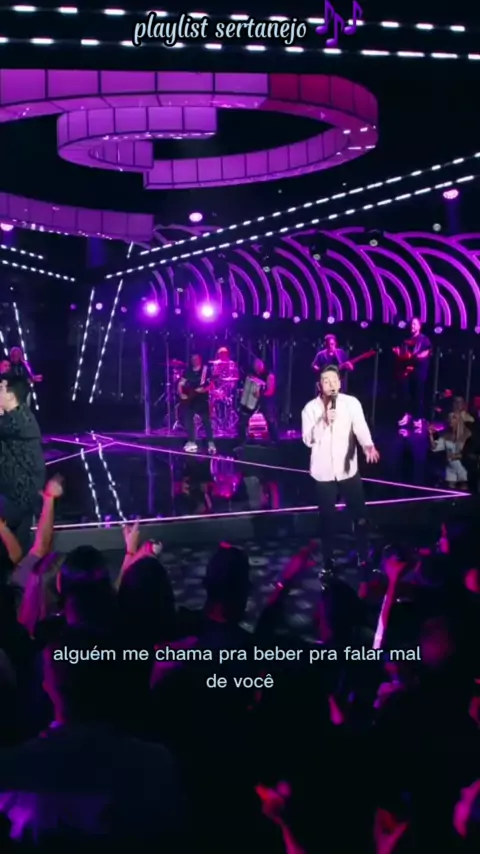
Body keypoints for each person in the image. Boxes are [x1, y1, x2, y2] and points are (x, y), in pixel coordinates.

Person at [301, 364, 379, 574]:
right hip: (323, 473)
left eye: (334, 380)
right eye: (326, 381)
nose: (331, 384)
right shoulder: (310, 409)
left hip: (348, 470)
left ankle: (363, 557)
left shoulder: (351, 403)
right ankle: (328, 561)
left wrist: (368, 446)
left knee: (360, 515)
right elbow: (307, 439)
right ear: (320, 385)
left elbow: (360, 427)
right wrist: (323, 421)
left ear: (340, 383)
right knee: (327, 519)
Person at [0, 375, 45, 546]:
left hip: (19, 496)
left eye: (1, 388)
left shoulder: (18, 420)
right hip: (18, 492)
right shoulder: (16, 416)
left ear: (11, 395)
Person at [393, 317, 431, 432]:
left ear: (419, 326)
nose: (412, 326)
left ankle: (418, 418)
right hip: (406, 371)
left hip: (418, 371)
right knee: (405, 393)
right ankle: (406, 415)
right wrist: (398, 353)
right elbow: (401, 352)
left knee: (417, 395)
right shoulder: (406, 340)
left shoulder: (424, 339)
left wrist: (413, 357)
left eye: (414, 324)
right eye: (411, 324)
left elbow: (425, 353)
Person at [178, 354, 216, 455]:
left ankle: (211, 443)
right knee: (188, 419)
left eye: (196, 359)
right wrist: (181, 394)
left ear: (200, 359)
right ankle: (192, 441)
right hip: (190, 399)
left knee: (206, 421)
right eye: (193, 359)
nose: (194, 361)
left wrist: (204, 389)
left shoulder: (205, 370)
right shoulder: (188, 371)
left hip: (202, 399)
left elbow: (211, 384)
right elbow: (181, 383)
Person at [238, 358, 278, 444]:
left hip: (266, 399)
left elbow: (270, 391)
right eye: (255, 368)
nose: (257, 370)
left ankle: (274, 441)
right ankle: (243, 440)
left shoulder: (269, 375)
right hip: (253, 398)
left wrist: (261, 395)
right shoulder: (252, 373)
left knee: (270, 419)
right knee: (243, 417)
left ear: (262, 366)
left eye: (258, 368)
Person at [428, 414, 469, 490]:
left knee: (464, 489)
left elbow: (469, 452)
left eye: (453, 418)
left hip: (462, 467)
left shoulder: (466, 435)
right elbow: (435, 447)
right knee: (451, 489)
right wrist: (431, 435)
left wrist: (456, 456)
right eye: (449, 418)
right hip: (450, 467)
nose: (450, 420)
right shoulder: (446, 435)